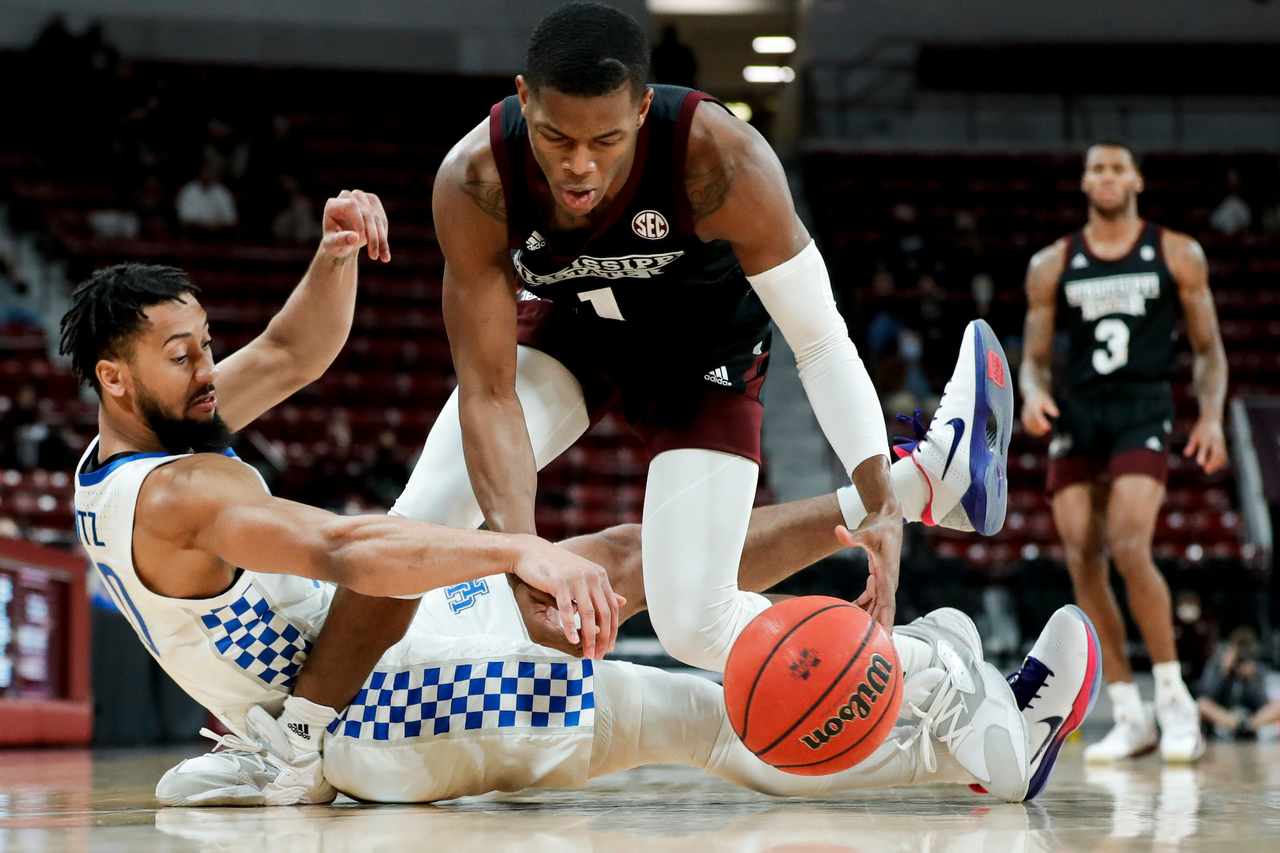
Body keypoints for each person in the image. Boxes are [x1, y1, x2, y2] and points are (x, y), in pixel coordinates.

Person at [393, 0, 1013, 683]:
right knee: (423, 516)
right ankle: (333, 710)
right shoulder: (477, 177)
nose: (578, 167)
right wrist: (520, 552)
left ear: (639, 111)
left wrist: (880, 503)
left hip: (705, 354)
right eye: (555, 138)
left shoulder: (722, 159)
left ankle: (941, 670)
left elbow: (820, 341)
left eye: (604, 142)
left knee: (693, 623)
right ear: (522, 99)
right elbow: (487, 389)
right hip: (576, 329)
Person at [64, 188, 624, 802]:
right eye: (181, 356)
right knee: (620, 563)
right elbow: (345, 548)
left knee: (611, 562)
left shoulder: (132, 449)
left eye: (206, 344)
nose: (207, 370)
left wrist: (335, 255)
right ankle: (290, 752)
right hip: (368, 679)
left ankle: (278, 751)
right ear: (112, 378)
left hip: (336, 657)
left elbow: (288, 353)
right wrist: (517, 549)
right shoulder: (179, 491)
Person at [1020, 141, 1229, 763]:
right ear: (1085, 182)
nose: (1107, 177)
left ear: (1135, 178)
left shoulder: (1176, 251)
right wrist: (1032, 393)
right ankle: (1129, 712)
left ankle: (1174, 700)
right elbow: (1032, 359)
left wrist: (1212, 416)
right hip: (1079, 409)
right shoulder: (1052, 262)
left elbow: (1210, 349)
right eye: (1096, 168)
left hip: (1142, 405)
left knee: (1130, 544)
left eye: (1117, 167)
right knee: (1083, 557)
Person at [1196, 627, 1280, 739]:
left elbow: (1263, 702)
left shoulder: (1257, 669)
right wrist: (1223, 673)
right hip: (1224, 715)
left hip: (1252, 718)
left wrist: (1251, 680)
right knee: (1201, 704)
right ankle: (1236, 726)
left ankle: (1246, 728)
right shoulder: (1216, 665)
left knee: (1277, 706)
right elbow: (1206, 696)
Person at [176, 163, 238, 235]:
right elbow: (184, 216)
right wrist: (202, 224)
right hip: (193, 232)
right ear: (199, 172)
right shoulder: (189, 189)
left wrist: (214, 225)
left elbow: (231, 218)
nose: (207, 175)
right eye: (205, 171)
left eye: (210, 172)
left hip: (218, 233)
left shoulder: (222, 192)